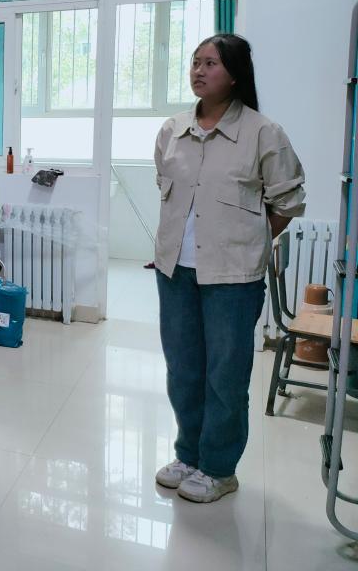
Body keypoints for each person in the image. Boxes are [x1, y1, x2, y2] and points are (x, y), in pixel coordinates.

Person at [153, 34, 305, 503]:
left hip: (233, 278)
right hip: (175, 271)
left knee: (225, 375)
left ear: (235, 75)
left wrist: (246, 242)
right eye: (195, 62)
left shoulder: (263, 133)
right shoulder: (172, 130)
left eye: (211, 63)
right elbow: (166, 188)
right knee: (183, 369)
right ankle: (188, 454)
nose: (199, 71)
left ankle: (219, 469)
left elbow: (287, 202)